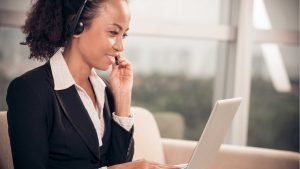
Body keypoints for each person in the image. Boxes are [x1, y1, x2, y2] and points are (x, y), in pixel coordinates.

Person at [6, 0, 179, 169]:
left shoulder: (105, 90)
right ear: (77, 26)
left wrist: (123, 96)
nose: (120, 46)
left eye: (123, 35)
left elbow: (119, 161)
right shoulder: (29, 91)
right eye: (113, 33)